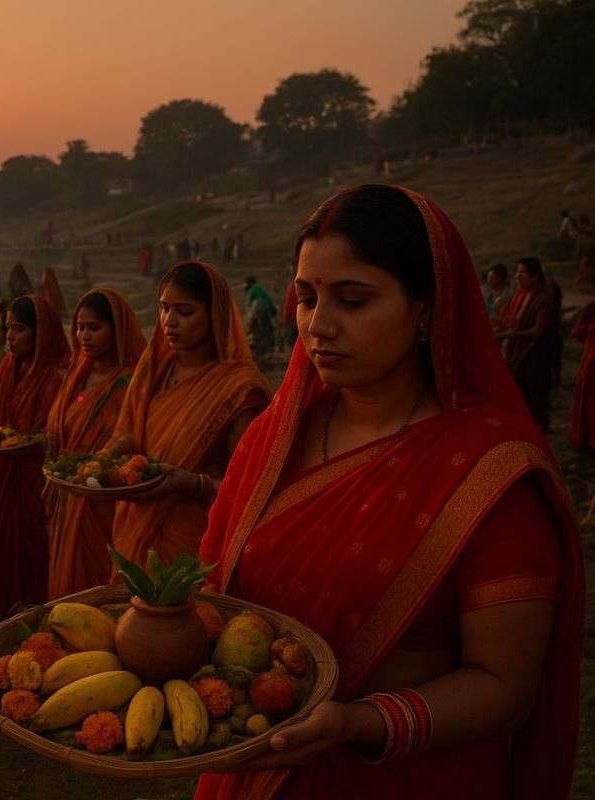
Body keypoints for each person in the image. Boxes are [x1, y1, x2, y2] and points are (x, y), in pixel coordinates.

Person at [195, 184, 582, 800]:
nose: (318, 326)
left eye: (353, 299)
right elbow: (211, 584)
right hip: (251, 761)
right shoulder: (278, 436)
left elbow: (505, 686)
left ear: (426, 308)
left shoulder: (488, 472)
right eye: (306, 297)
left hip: (402, 776)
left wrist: (360, 723)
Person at [109, 261, 270, 569]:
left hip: (193, 543)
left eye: (184, 312)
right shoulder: (155, 370)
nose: (169, 321)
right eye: (164, 308)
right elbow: (132, 432)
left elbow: (252, 486)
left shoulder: (239, 388)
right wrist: (108, 455)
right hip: (134, 527)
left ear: (214, 316)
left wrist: (192, 484)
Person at [0, 295, 70, 630]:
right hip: (8, 471)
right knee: (5, 536)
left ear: (40, 333)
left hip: (37, 477)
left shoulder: (58, 375)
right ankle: (3, 613)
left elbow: (61, 435)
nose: (9, 337)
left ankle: (36, 614)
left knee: (35, 541)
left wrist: (33, 442)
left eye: (18, 329)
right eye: (7, 329)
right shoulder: (8, 367)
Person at [45, 289, 147, 599]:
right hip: (69, 489)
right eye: (79, 327)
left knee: (95, 572)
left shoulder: (130, 382)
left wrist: (99, 465)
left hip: (104, 494)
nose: (84, 335)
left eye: (94, 327)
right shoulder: (79, 375)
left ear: (117, 330)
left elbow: (134, 438)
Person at [495, 257, 560, 429]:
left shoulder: (544, 299)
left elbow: (537, 330)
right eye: (517, 272)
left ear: (535, 276)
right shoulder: (520, 295)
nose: (517, 276)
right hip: (518, 353)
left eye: (522, 272)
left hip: (534, 355)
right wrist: (499, 322)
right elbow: (513, 321)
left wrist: (510, 334)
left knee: (533, 393)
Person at [569, 298, 595, 450]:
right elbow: (578, 334)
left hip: (590, 361)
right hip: (590, 363)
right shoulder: (591, 308)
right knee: (589, 399)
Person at [243, 276, 278, 358]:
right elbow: (272, 307)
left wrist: (248, 325)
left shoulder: (252, 291)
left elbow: (249, 310)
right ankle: (268, 350)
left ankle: (262, 352)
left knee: (258, 333)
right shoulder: (261, 290)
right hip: (267, 314)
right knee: (266, 331)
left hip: (259, 313)